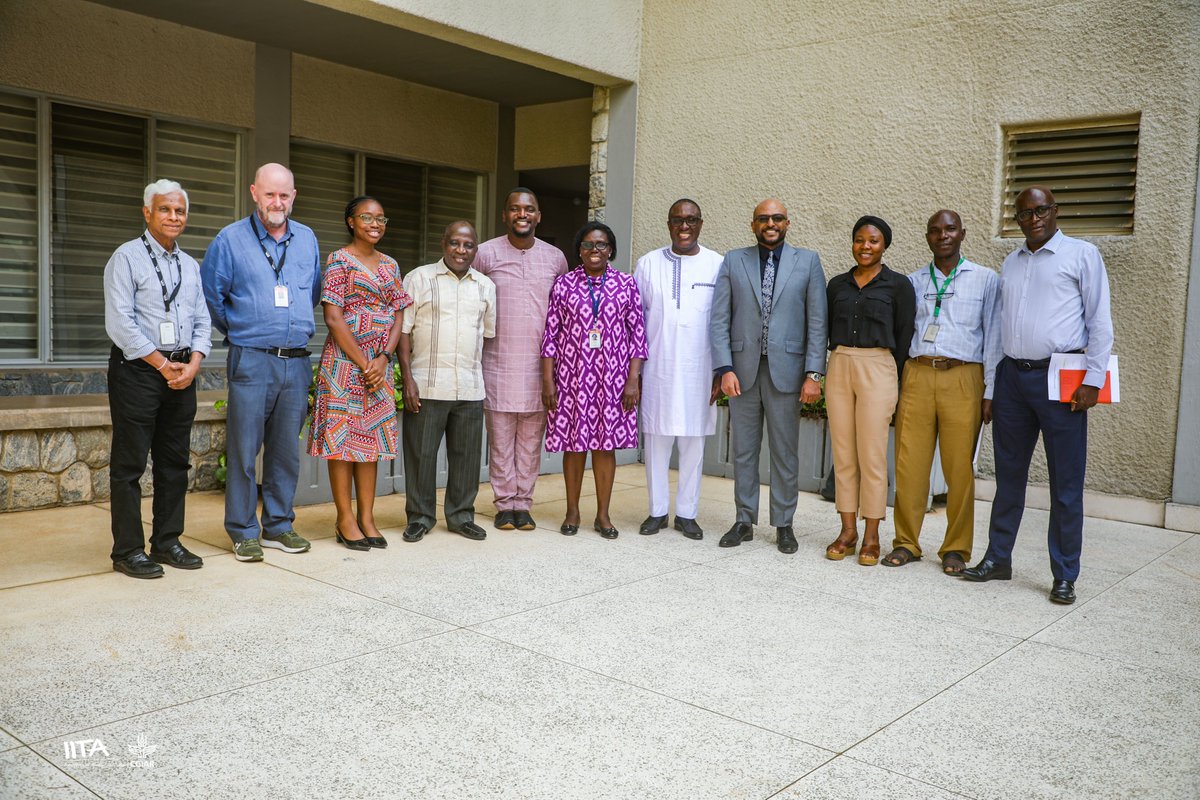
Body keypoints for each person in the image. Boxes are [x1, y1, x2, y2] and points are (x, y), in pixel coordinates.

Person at [962, 186, 1114, 604]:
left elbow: (1099, 321)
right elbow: (999, 329)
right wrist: (992, 388)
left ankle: (1064, 574)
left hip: (1061, 377)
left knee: (1065, 482)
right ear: (1018, 218)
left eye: (1041, 210)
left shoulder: (1082, 256)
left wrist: (1093, 380)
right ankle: (998, 559)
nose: (1034, 219)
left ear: (1055, 211)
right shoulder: (1010, 262)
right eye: (1025, 213)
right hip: (1012, 377)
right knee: (1008, 477)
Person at [201, 163, 322, 562]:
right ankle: (242, 530)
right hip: (251, 360)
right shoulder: (230, 240)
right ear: (254, 193)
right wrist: (243, 330)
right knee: (243, 449)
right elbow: (213, 300)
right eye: (270, 194)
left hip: (296, 362)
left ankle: (278, 525)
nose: (277, 202)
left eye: (284, 195)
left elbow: (314, 293)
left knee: (286, 452)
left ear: (294, 196)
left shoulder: (306, 240)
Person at [103, 179, 212, 578]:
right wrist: (162, 365)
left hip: (183, 373)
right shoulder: (127, 257)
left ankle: (166, 541)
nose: (173, 217)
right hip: (139, 372)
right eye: (165, 209)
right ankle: (127, 551)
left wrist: (194, 362)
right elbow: (121, 324)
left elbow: (202, 319)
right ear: (147, 212)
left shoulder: (190, 265)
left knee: (174, 463)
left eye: (179, 210)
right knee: (129, 466)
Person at [884, 210, 1001, 574]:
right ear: (927, 237)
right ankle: (906, 542)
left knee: (959, 469)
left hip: (964, 376)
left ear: (962, 233)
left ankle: (956, 549)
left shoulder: (985, 280)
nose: (942, 235)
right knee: (909, 466)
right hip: (918, 374)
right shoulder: (913, 282)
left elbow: (994, 338)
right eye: (934, 230)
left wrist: (991, 391)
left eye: (949, 229)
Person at [709, 199, 828, 554]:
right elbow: (719, 319)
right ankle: (744, 520)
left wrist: (813, 374)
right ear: (753, 225)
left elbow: (817, 323)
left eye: (776, 218)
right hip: (742, 373)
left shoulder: (808, 261)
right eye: (763, 219)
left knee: (784, 452)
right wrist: (724, 368)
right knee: (743, 451)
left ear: (787, 223)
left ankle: (784, 523)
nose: (770, 224)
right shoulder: (734, 260)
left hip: (788, 373)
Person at [308, 196, 413, 551]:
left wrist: (383, 358)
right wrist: (363, 361)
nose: (375, 224)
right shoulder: (339, 260)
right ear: (351, 221)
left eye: (382, 219)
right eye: (367, 217)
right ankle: (345, 518)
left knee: (370, 445)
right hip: (342, 367)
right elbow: (333, 316)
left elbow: (399, 314)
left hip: (379, 369)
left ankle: (367, 517)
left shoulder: (391, 265)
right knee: (342, 443)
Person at [541, 222, 648, 539]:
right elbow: (550, 335)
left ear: (610, 249)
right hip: (572, 378)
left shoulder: (626, 285)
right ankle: (572, 511)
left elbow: (637, 336)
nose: (594, 250)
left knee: (605, 447)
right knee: (573, 447)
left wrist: (633, 381)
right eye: (587, 245)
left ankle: (603, 515)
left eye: (600, 244)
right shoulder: (564, 285)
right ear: (579, 251)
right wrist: (549, 382)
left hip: (613, 380)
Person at [823, 216, 916, 566]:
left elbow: (905, 336)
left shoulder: (898, 286)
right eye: (859, 240)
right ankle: (847, 531)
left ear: (884, 245)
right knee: (844, 453)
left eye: (873, 241)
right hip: (840, 363)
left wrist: (900, 382)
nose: (866, 246)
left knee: (873, 455)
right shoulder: (837, 285)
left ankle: (873, 535)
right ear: (852, 243)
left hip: (879, 366)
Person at [473, 189, 568, 532]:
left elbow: (563, 313)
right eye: (515, 209)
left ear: (538, 216)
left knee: (530, 442)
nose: (522, 214)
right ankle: (504, 505)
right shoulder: (484, 253)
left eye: (529, 209)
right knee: (500, 441)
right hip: (497, 364)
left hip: (541, 369)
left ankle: (523, 505)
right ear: (505, 215)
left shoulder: (556, 258)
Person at [397, 221, 497, 543]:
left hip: (469, 386)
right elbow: (403, 332)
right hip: (427, 385)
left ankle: (460, 516)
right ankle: (420, 517)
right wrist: (408, 381)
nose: (461, 250)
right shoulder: (418, 279)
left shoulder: (485, 286)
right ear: (444, 243)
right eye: (455, 243)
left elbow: (488, 333)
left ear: (475, 249)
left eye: (468, 245)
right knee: (420, 456)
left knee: (466, 458)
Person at [634, 199, 723, 540]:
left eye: (691, 220)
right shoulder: (648, 264)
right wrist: (636, 373)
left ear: (701, 223)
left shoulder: (717, 264)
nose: (684, 227)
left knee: (693, 444)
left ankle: (687, 514)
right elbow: (636, 322)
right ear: (668, 224)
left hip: (700, 370)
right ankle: (657, 512)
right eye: (677, 220)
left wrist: (721, 370)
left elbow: (723, 322)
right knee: (656, 443)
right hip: (657, 370)